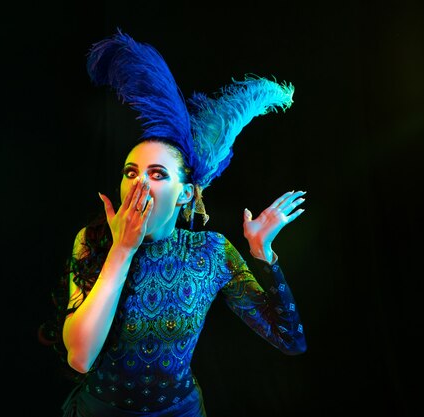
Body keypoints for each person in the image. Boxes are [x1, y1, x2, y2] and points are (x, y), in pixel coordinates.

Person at [39, 29, 307, 417]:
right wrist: (122, 248)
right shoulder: (92, 240)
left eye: (158, 174)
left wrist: (264, 255)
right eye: (131, 172)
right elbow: (80, 357)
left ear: (186, 194)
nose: (140, 183)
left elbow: (290, 340)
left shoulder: (211, 252)